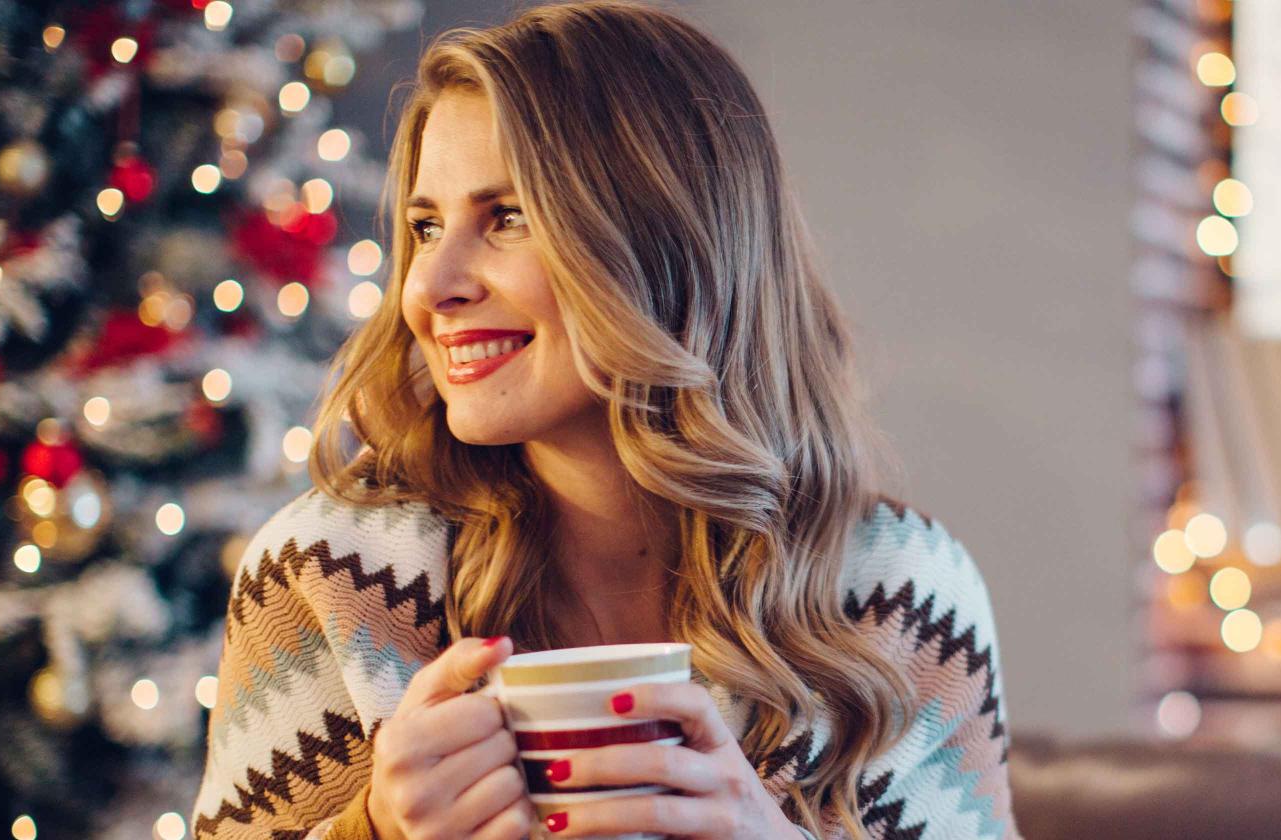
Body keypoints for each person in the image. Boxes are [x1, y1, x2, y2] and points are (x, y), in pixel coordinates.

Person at [189, 2, 1017, 839]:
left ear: (666, 241)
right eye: (425, 225)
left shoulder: (903, 602)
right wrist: (372, 830)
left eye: (506, 217)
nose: (429, 287)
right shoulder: (335, 578)